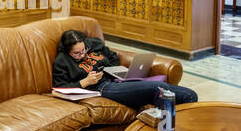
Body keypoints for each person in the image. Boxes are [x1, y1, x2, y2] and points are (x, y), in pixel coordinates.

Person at [53, 30, 198, 109]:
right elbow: (60, 88)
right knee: (159, 88)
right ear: (68, 52)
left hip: (116, 79)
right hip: (102, 87)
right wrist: (85, 82)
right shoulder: (62, 61)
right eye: (77, 53)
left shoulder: (93, 44)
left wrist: (113, 69)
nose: (83, 54)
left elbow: (113, 56)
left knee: (189, 95)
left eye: (84, 49)